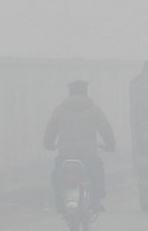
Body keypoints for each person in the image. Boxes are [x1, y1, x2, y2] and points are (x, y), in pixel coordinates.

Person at [43, 80, 116, 212]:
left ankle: (60, 203)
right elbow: (105, 129)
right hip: (88, 154)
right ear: (86, 93)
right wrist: (110, 145)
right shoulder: (94, 110)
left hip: (66, 155)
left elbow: (50, 130)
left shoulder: (59, 111)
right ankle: (95, 200)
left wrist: (48, 144)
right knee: (96, 172)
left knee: (57, 175)